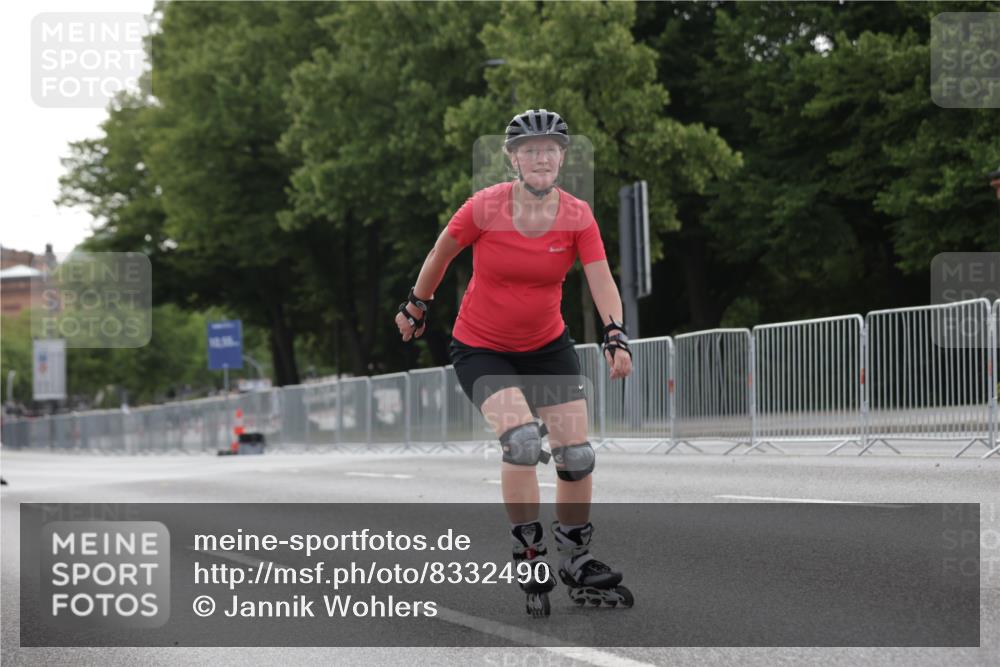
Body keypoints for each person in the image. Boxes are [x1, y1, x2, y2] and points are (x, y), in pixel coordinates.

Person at [394, 109, 633, 616]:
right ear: (513, 159)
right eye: (530, 150)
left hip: (547, 346)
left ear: (563, 158)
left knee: (577, 455)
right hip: (482, 346)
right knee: (523, 442)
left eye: (550, 149)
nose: (541, 157)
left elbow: (600, 277)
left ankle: (575, 555)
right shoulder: (484, 208)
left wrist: (615, 332)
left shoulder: (578, 215)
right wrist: (417, 303)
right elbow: (441, 254)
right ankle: (529, 551)